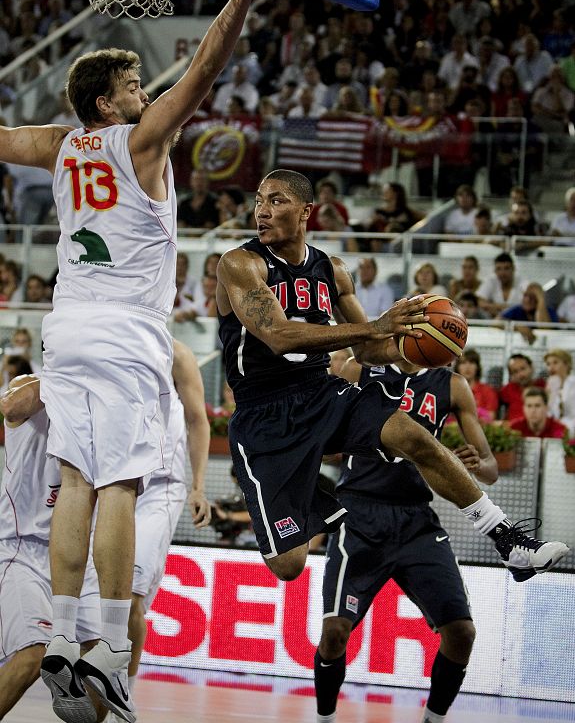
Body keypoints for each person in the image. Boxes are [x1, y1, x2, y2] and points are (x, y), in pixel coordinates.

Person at [0, 0, 271, 723]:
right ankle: (112, 646)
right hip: (125, 331)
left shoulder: (58, 146)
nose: (145, 94)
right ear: (106, 103)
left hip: (66, 329)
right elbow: (205, 69)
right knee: (119, 482)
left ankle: (63, 633)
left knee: (77, 479)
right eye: (132, 86)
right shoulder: (141, 141)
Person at [215, 168, 567, 584]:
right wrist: (375, 327)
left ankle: (509, 541)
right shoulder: (240, 263)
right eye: (259, 201)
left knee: (415, 435)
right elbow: (278, 336)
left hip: (320, 392)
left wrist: (414, 342)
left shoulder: (333, 270)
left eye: (276, 201)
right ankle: (303, 495)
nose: (262, 211)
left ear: (306, 211)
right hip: (264, 415)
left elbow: (368, 351)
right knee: (289, 565)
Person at [308, 355, 497, 723]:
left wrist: (477, 464)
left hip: (416, 519)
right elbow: (322, 439)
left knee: (461, 632)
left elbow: (491, 468)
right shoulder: (358, 369)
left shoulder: (452, 385)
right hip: (359, 512)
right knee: (335, 632)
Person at [94, 339, 211, 723]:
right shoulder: (106, 344)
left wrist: (198, 486)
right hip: (110, 481)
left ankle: (121, 710)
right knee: (99, 607)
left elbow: (198, 420)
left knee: (128, 598)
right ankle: (95, 717)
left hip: (160, 487)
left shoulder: (176, 353)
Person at [0, 374, 104, 723]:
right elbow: (10, 407)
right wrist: (66, 375)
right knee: (32, 657)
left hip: (79, 553)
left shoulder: (104, 398)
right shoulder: (33, 384)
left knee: (104, 663)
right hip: (23, 549)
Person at [454, 348, 499, 422]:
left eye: (471, 362)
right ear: (457, 367)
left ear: (477, 367)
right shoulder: (451, 391)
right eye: (463, 363)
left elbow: (490, 417)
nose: (467, 367)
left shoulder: (488, 391)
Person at [476, 252, 526, 318]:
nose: (502, 273)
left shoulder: (521, 282)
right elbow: (479, 302)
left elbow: (526, 306)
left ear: (513, 269)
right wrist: (507, 308)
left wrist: (494, 307)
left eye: (506, 268)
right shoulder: (491, 281)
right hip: (495, 320)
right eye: (499, 269)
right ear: (495, 271)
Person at [499, 353, 546, 422]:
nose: (521, 374)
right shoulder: (507, 390)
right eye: (515, 372)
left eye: (523, 369)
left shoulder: (543, 387)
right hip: (512, 427)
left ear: (531, 368)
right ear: (511, 376)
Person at [544, 349, 575, 436]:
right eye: (548, 364)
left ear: (567, 364)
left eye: (555, 362)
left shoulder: (573, 383)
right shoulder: (550, 384)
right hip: (554, 431)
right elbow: (549, 413)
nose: (551, 367)